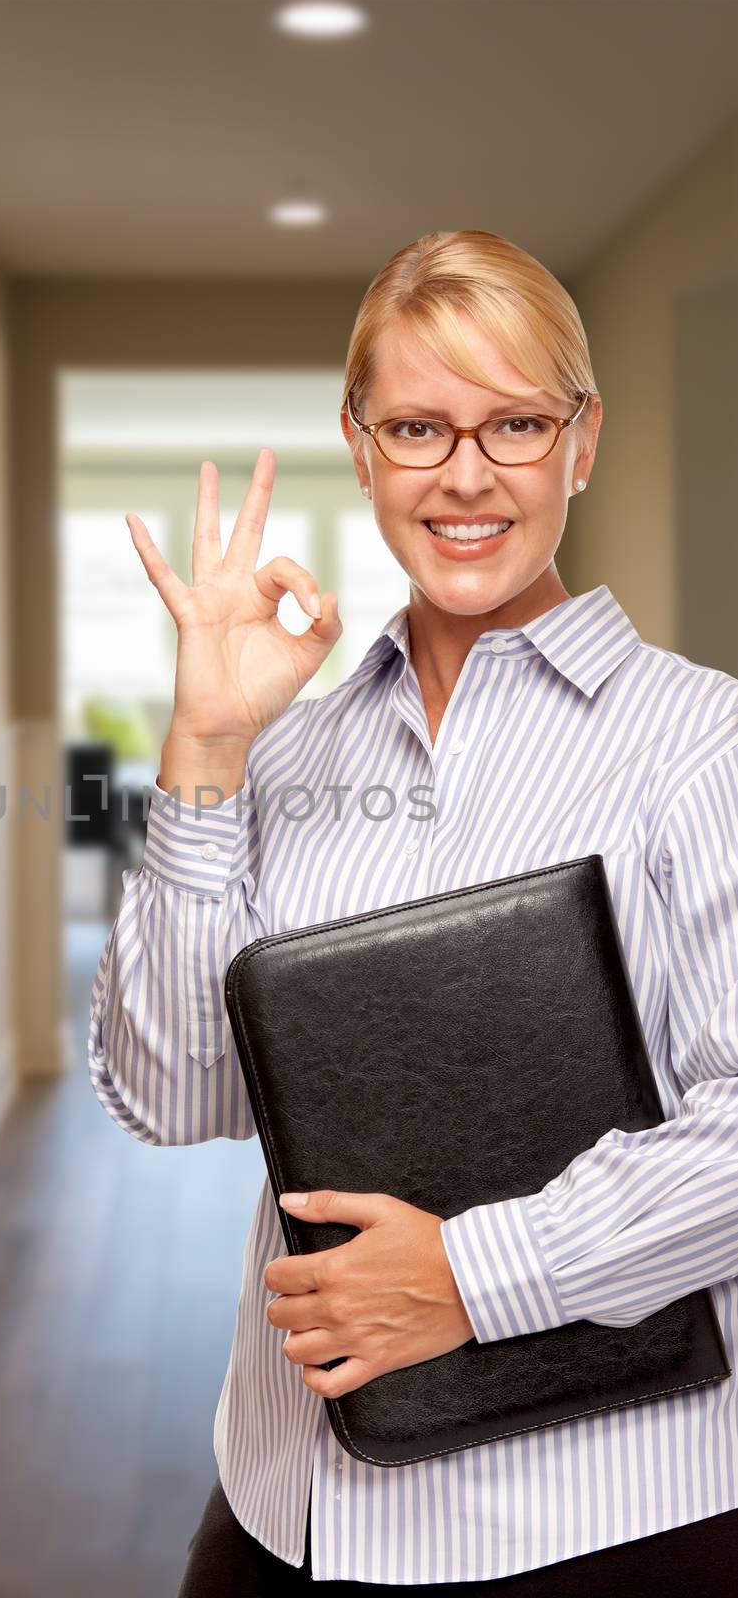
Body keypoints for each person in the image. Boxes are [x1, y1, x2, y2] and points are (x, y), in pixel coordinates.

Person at [86, 228, 738, 1589]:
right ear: (361, 443)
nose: (464, 473)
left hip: (601, 1525)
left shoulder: (705, 747)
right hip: (284, 1515)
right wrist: (205, 742)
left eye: (514, 422)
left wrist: (479, 1274)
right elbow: (175, 1089)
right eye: (416, 426)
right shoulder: (289, 753)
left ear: (583, 439)